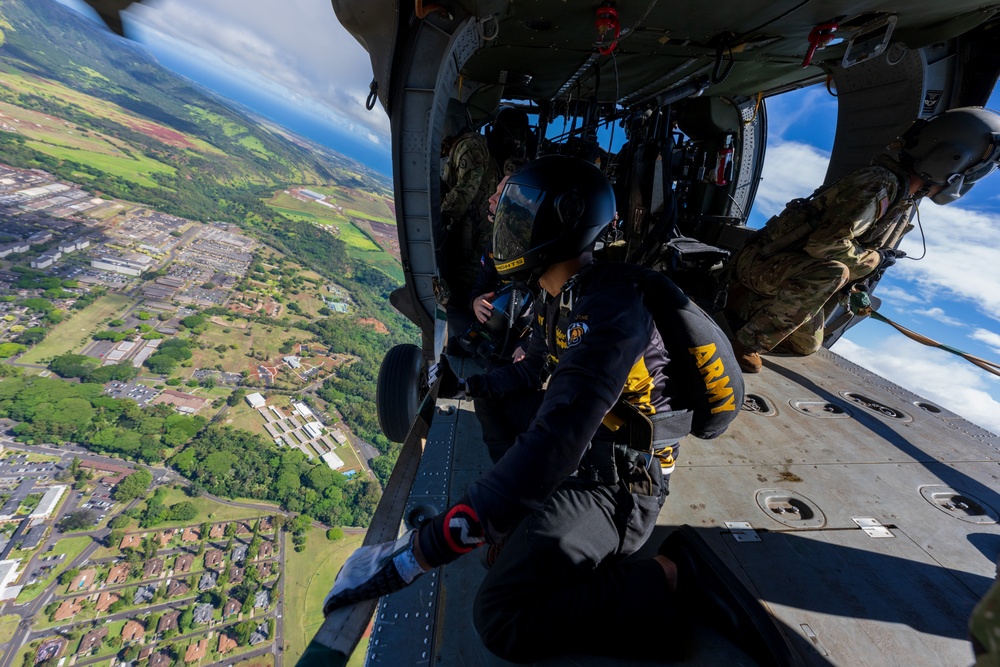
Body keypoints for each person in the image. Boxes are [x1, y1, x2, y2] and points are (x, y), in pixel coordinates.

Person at [323, 157, 792, 664]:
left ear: (557, 222)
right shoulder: (563, 297)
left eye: (513, 215)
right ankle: (516, 517)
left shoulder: (614, 307)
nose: (499, 226)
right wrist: (468, 383)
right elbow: (536, 371)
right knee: (492, 399)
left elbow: (559, 439)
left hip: (619, 486)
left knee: (502, 619)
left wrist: (423, 550)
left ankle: (670, 575)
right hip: (590, 453)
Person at [728, 106, 1000, 374]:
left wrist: (860, 285)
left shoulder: (902, 199)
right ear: (951, 161)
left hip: (788, 270)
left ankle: (746, 307)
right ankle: (744, 343)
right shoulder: (878, 185)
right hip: (761, 263)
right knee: (834, 272)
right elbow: (825, 246)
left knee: (806, 345)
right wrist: (874, 259)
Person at [440, 102, 499, 340]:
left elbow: (464, 191)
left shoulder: (469, 146)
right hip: (471, 236)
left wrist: (440, 218)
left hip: (476, 237)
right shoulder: (467, 146)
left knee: (465, 293)